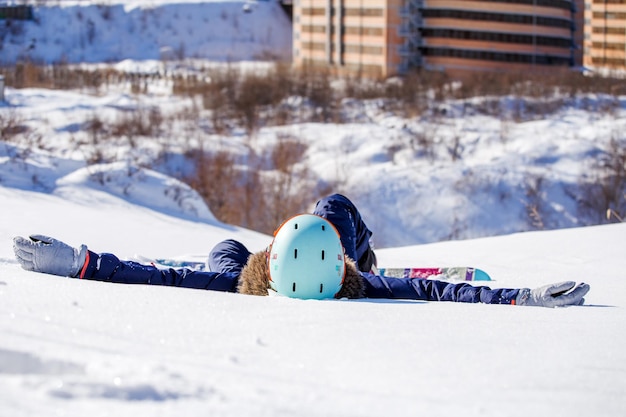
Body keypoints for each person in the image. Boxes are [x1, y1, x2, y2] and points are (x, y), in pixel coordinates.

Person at [13, 193, 589, 307]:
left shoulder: (232, 281)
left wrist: (77, 261)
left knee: (222, 248)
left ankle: (329, 225)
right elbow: (443, 289)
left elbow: (148, 276)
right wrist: (523, 299)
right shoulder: (364, 284)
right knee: (332, 204)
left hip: (239, 267)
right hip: (260, 265)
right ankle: (356, 238)